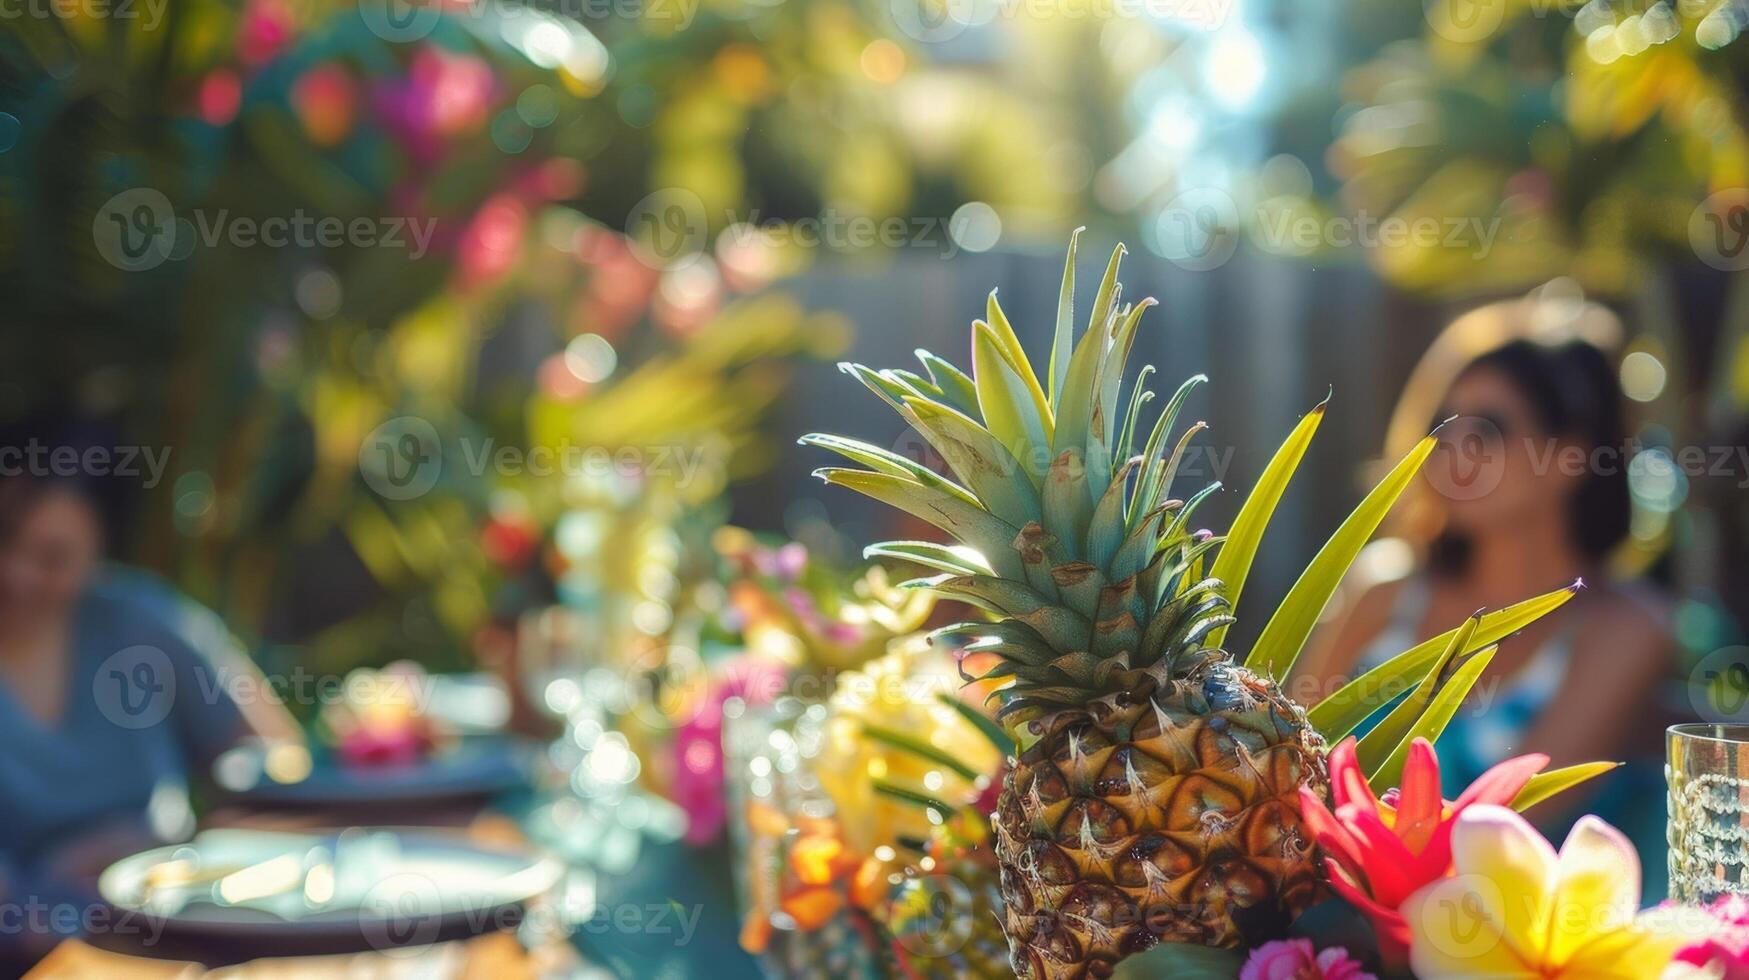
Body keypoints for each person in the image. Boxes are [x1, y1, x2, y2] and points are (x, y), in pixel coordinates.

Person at [1301, 289, 1673, 895]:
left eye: (1490, 428)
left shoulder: (1626, 629)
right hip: (1335, 914)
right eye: (1441, 426)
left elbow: (1506, 826)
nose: (1452, 450)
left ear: (1569, 456)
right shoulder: (1382, 590)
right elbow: (1289, 763)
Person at [0, 469, 295, 968]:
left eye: (52, 559)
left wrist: (203, 845)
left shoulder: (140, 621)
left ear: (97, 555)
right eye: (4, 541)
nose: (16, 573)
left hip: (177, 922)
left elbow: (273, 751)